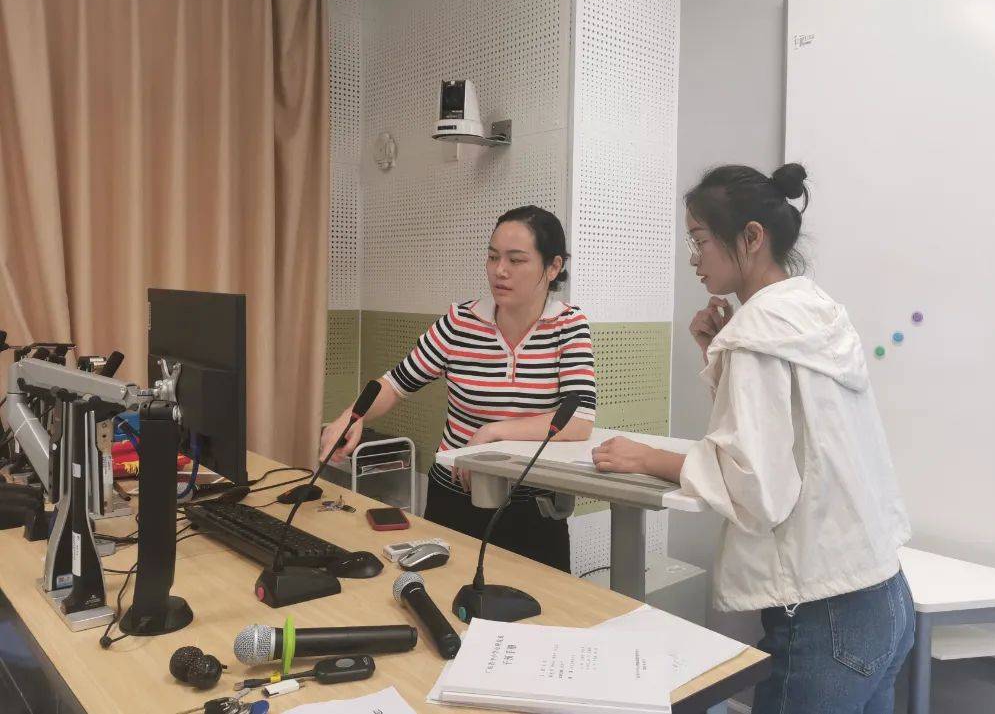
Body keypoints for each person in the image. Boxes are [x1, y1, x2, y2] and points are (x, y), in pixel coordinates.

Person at [592, 164, 914, 713]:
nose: (693, 258)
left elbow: (757, 485)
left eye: (699, 240)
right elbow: (795, 439)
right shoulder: (815, 315)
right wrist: (720, 354)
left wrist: (649, 457)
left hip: (823, 612)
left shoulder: (756, 337)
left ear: (751, 237)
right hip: (884, 594)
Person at [321, 205, 596, 571]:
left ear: (553, 267)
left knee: (545, 605)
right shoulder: (460, 322)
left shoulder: (569, 325)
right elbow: (395, 383)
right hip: (454, 498)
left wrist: (493, 432)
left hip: (533, 506)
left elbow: (578, 420)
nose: (499, 270)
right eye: (493, 257)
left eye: (516, 260)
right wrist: (351, 416)